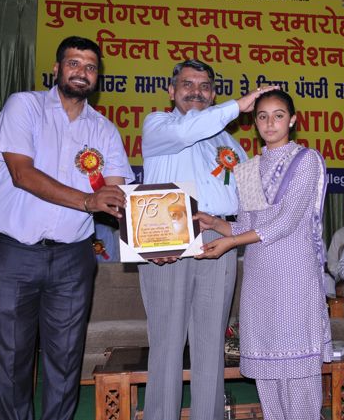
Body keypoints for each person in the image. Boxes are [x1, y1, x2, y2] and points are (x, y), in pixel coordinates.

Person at [0, 36, 133, 420]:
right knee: (12, 358)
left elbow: (116, 194)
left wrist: (162, 236)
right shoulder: (24, 106)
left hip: (72, 257)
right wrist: (87, 201)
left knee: (65, 360)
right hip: (15, 253)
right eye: (74, 63)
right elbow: (22, 174)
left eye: (90, 67)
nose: (82, 72)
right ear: (57, 68)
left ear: (97, 77)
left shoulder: (105, 130)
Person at [139, 59, 277, 420]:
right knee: (167, 343)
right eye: (187, 84)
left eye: (204, 87)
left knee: (211, 343)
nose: (196, 92)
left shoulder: (230, 143)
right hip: (167, 234)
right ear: (171, 91)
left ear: (213, 94)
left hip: (219, 238)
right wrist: (238, 105)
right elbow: (190, 131)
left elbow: (252, 201)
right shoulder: (158, 125)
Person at [195, 89, 332, 420]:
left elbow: (286, 222)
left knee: (298, 372)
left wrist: (231, 242)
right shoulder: (247, 169)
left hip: (294, 275)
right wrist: (216, 224)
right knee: (268, 373)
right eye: (262, 116)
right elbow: (246, 225)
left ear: (293, 120)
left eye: (278, 116)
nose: (270, 123)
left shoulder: (306, 160)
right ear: (254, 122)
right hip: (259, 278)